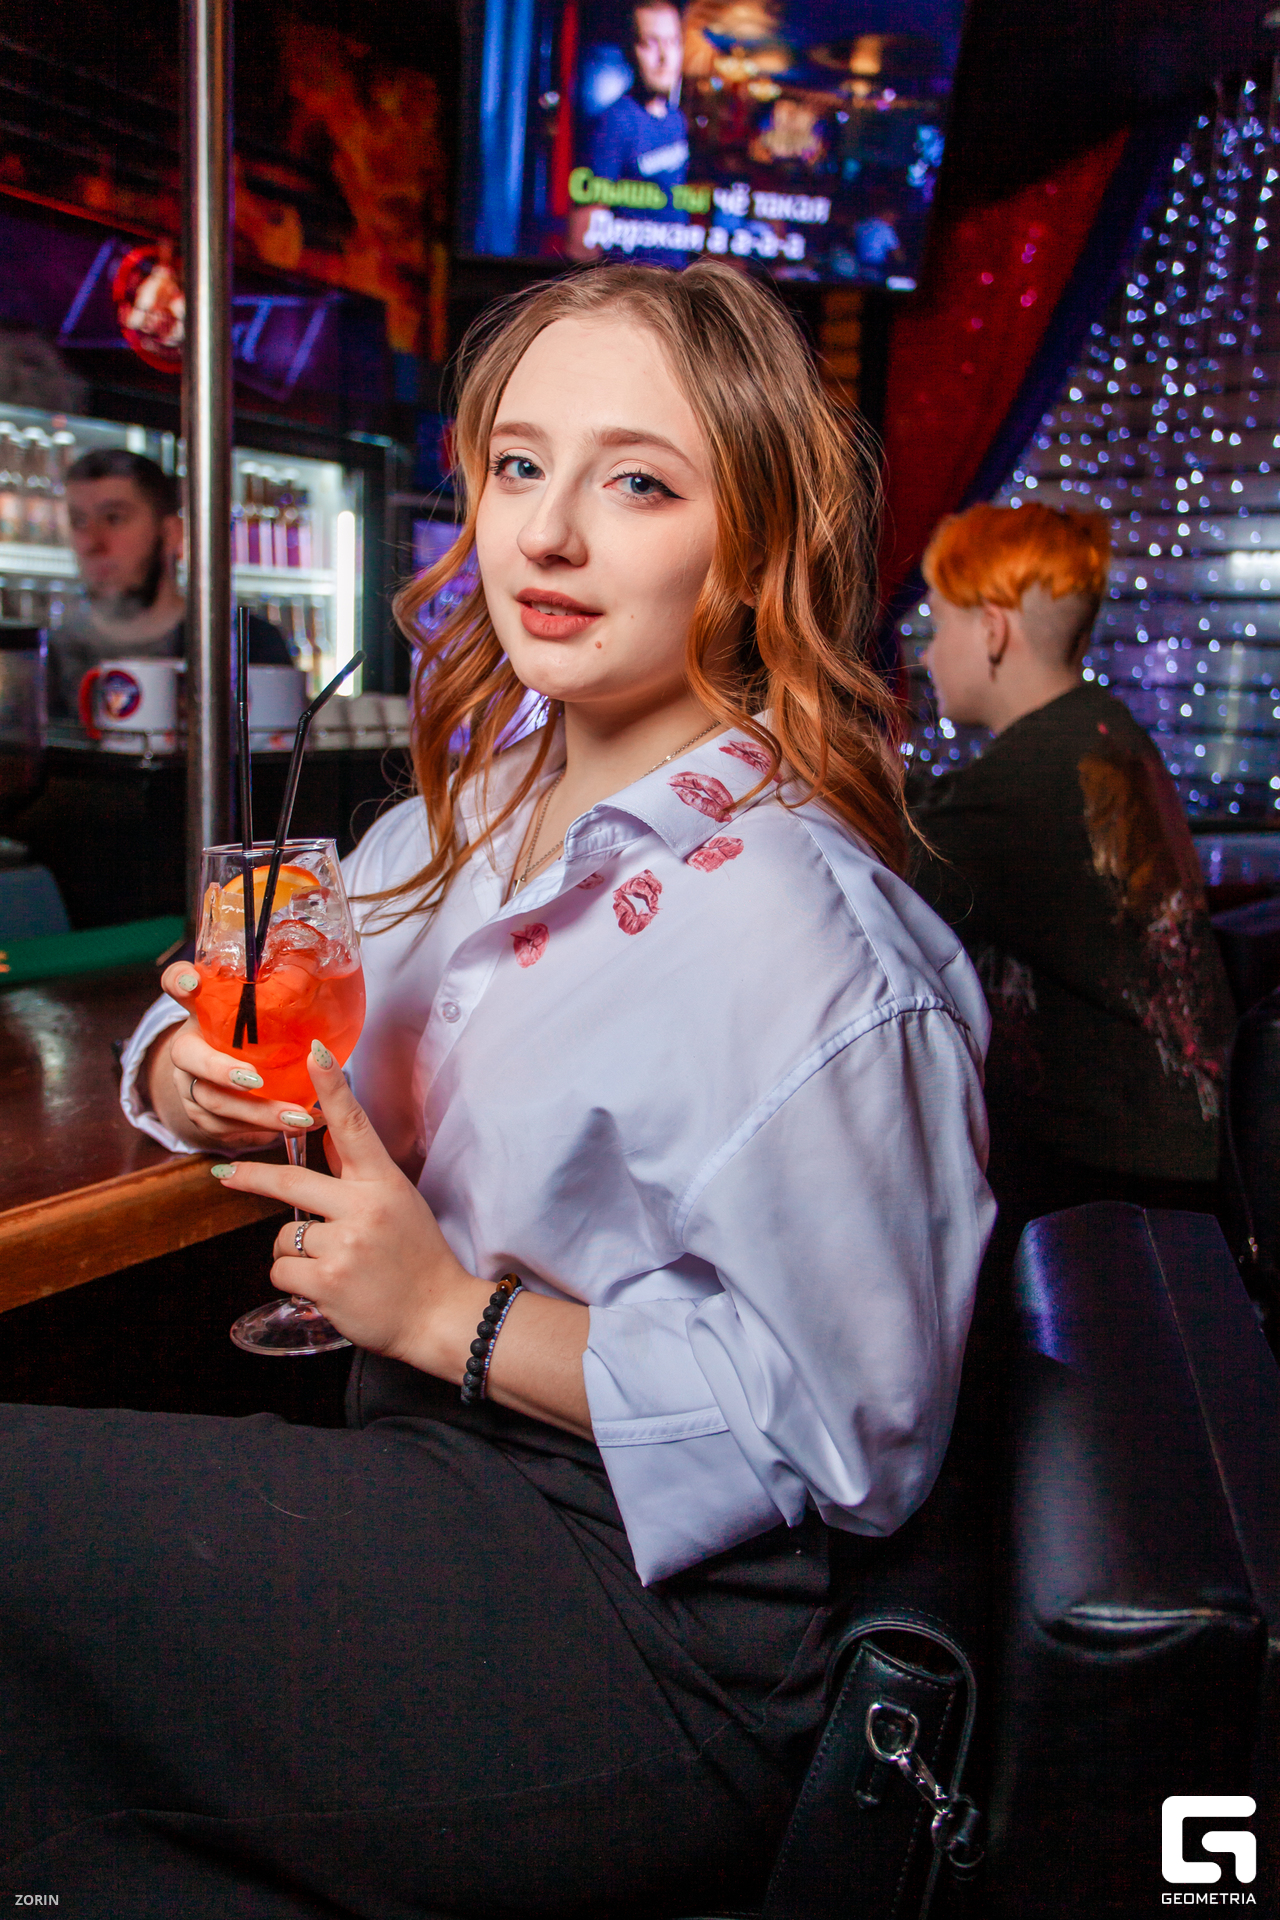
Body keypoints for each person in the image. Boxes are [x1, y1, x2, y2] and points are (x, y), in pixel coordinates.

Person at [0, 263, 992, 1914]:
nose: (546, 532)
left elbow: (858, 1433)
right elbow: (257, 1012)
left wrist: (447, 1312)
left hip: (655, 1626)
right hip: (432, 1477)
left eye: (640, 484)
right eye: (520, 466)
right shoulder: (462, 815)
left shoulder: (799, 931)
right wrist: (193, 1068)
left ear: (752, 546)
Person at [909, 501, 1235, 1303]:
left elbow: (889, 865)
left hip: (1109, 1180)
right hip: (1173, 1155)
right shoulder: (1100, 732)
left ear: (992, 630)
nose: (926, 654)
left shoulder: (1034, 774)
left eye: (938, 624)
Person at [50, 448, 292, 719]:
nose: (91, 543)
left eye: (114, 518)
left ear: (170, 533)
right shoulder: (51, 656)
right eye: (79, 521)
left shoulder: (244, 645)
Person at [568, 1, 690, 263]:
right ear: (630, 51)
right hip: (634, 281)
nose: (664, 57)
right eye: (650, 43)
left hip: (674, 277)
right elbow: (581, 240)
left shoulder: (676, 120)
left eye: (672, 42)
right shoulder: (614, 123)